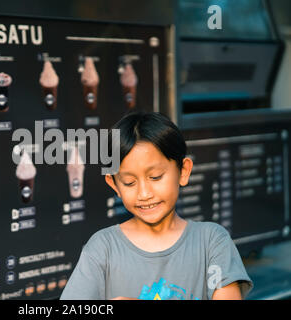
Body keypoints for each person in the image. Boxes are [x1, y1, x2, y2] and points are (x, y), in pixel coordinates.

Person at [60, 111, 253, 300]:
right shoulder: (102, 249)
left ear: (183, 171)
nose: (144, 194)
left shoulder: (211, 242)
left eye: (155, 177)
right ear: (114, 184)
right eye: (129, 182)